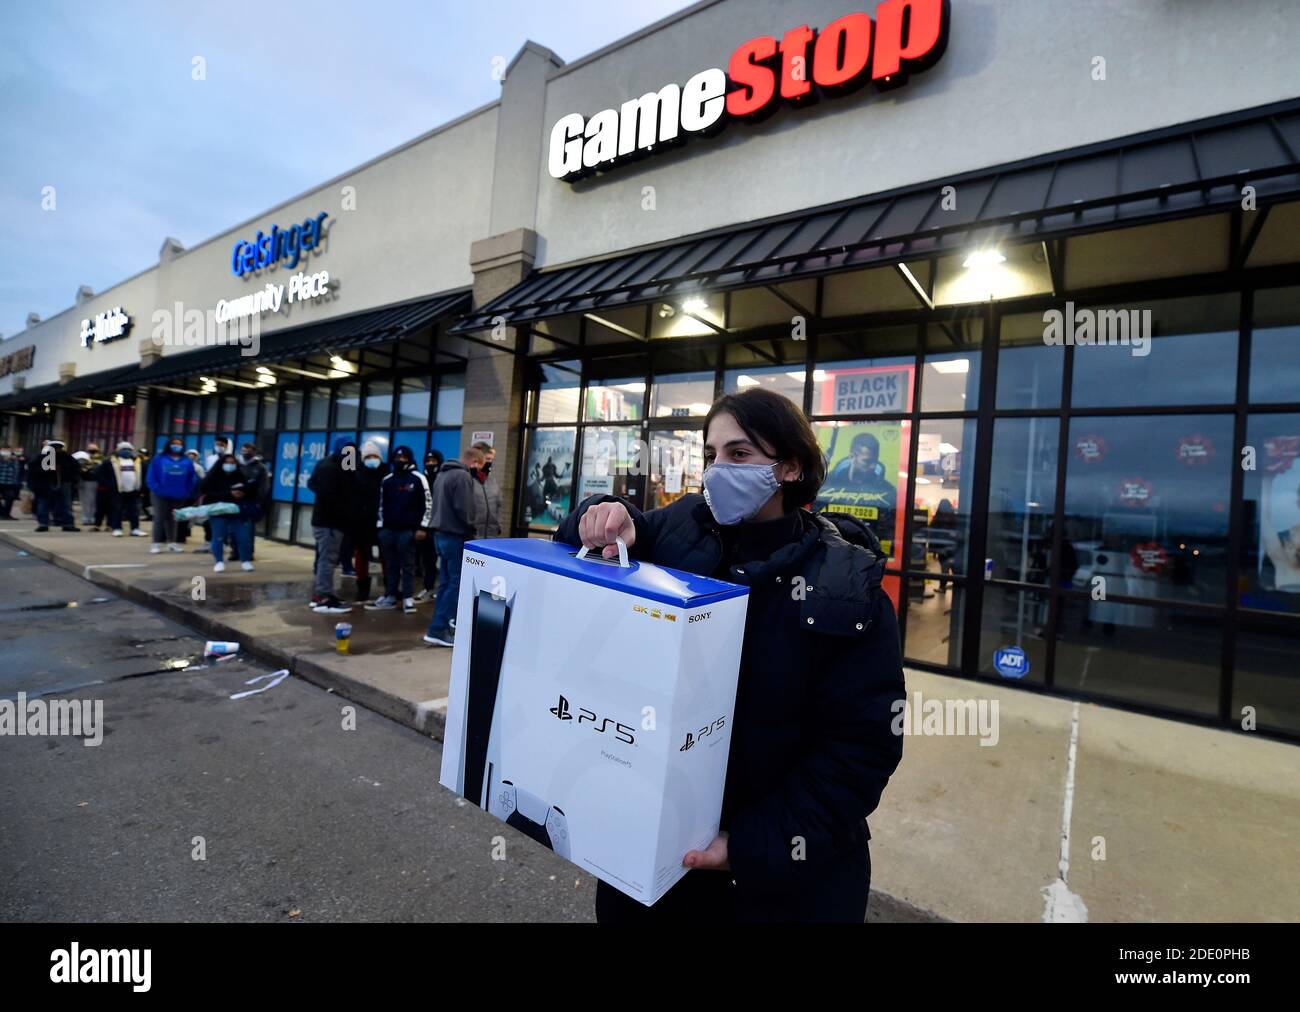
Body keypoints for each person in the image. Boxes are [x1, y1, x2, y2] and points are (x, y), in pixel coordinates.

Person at [556, 387, 905, 923]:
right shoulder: (681, 526)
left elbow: (861, 750)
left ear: (789, 468)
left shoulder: (846, 588)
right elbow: (606, 537)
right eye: (711, 455)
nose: (719, 469)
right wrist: (599, 515)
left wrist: (748, 844)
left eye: (739, 455)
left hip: (782, 885)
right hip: (650, 855)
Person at [422, 444, 483, 646]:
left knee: (446, 583)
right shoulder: (462, 477)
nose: (480, 470)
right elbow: (464, 510)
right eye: (480, 465)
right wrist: (472, 526)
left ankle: (439, 626)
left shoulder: (442, 474)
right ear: (474, 461)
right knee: (455, 584)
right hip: (455, 535)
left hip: (440, 534)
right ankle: (438, 629)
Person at [369, 445, 432, 614]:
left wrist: (422, 527)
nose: (400, 460)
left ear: (410, 459)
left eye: (404, 457)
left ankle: (407, 597)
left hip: (408, 530)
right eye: (398, 457)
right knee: (391, 565)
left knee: (408, 565)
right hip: (388, 530)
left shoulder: (418, 478)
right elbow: (381, 505)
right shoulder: (387, 480)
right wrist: (380, 528)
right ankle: (390, 595)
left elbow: (428, 504)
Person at [307, 436, 355, 614]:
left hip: (333, 521)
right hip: (329, 522)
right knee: (327, 560)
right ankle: (323, 596)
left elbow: (350, 485)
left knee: (328, 559)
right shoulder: (329, 467)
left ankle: (325, 593)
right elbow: (331, 496)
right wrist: (345, 512)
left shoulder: (342, 464)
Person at [196, 453, 256, 572]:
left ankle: (245, 560)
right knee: (218, 536)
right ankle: (219, 561)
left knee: (243, 537)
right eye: (227, 463)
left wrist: (243, 493)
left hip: (236, 512)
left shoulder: (240, 476)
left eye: (232, 463)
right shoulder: (212, 478)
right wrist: (229, 493)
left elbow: (250, 491)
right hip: (218, 511)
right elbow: (208, 494)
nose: (230, 465)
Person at [347, 442, 389, 603]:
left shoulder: (387, 473)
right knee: (361, 555)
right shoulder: (357, 473)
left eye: (375, 456)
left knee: (387, 555)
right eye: (369, 457)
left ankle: (389, 587)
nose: (372, 459)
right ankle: (362, 588)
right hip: (362, 522)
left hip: (383, 521)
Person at [146, 437, 199, 553]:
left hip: (179, 495)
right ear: (169, 445)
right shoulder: (159, 458)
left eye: (179, 444)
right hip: (160, 494)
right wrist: (156, 488)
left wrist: (188, 491)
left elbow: (192, 477)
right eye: (174, 443)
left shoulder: (186, 461)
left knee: (173, 519)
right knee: (159, 518)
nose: (177, 445)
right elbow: (151, 476)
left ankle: (172, 542)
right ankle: (155, 543)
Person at [96, 442, 147, 537]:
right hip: (117, 491)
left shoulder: (138, 462)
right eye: (123, 449)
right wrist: (109, 485)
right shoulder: (110, 461)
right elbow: (99, 474)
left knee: (134, 510)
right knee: (117, 510)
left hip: (133, 490)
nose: (126, 451)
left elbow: (144, 475)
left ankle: (135, 529)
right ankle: (117, 528)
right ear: (118, 451)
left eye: (128, 449)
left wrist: (142, 488)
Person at [413, 449, 444, 602]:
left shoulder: (443, 479)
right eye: (428, 462)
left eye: (434, 461)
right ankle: (428, 587)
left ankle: (440, 589)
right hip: (425, 527)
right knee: (428, 560)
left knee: (443, 561)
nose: (431, 464)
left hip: (441, 527)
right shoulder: (421, 480)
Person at [30, 439, 79, 531]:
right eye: (55, 448)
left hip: (64, 484)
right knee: (44, 504)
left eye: (59, 448)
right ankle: (43, 524)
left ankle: (68, 524)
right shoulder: (43, 457)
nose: (57, 450)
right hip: (46, 485)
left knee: (66, 505)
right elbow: (34, 470)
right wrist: (47, 470)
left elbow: (75, 470)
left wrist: (71, 479)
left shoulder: (67, 458)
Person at [239, 443, 271, 560]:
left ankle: (248, 553)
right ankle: (236, 552)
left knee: (248, 529)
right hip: (237, 501)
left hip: (251, 502)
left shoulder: (260, 467)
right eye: (243, 450)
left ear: (254, 452)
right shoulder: (238, 465)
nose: (245, 453)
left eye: (248, 450)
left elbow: (264, 486)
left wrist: (259, 500)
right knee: (234, 529)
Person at [470, 440, 503, 538]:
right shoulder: (466, 479)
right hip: (472, 535)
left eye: (491, 460)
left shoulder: (492, 480)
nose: (490, 463)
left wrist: (498, 527)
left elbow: (499, 505)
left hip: (490, 535)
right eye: (487, 459)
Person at [77, 444, 103, 528]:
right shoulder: (100, 458)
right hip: (88, 481)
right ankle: (89, 518)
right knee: (90, 501)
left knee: (88, 501)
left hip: (91, 480)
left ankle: (88, 517)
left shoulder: (85, 457)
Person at [0, 446, 24, 519]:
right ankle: (2, 512)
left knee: (10, 498)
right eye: (4, 450)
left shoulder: (14, 459)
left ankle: (6, 514)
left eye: (7, 450)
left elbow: (17, 470)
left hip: (10, 483)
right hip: (1, 481)